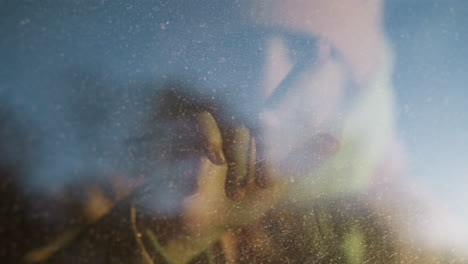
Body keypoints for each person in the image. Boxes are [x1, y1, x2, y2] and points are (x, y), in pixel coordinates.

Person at [3, 0, 466, 263]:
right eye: (235, 47)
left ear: (356, 89)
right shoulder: (102, 183)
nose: (266, 82)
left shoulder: (413, 226)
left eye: (305, 52)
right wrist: (149, 239)